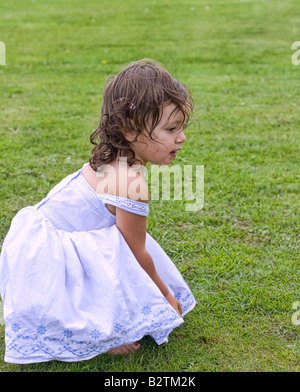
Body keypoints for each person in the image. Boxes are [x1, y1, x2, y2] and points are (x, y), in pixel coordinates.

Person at [0, 59, 196, 363]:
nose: (181, 137)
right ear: (128, 130)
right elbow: (134, 253)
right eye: (171, 129)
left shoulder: (111, 160)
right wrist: (164, 295)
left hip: (33, 244)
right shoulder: (129, 180)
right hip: (49, 263)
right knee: (116, 251)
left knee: (108, 246)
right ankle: (100, 335)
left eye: (182, 127)